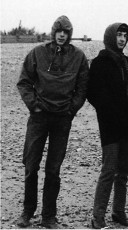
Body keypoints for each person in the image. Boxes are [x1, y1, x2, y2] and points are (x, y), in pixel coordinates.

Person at [16, 15, 89, 228]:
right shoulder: (37, 53)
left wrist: (71, 109)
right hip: (38, 117)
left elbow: (82, 87)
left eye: (66, 32)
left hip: (62, 119)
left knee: (54, 169)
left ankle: (49, 216)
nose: (62, 35)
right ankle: (27, 212)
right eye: (59, 31)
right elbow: (24, 82)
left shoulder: (79, 57)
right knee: (31, 165)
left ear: (70, 34)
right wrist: (35, 106)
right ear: (53, 32)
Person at [87, 22, 128, 228]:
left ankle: (118, 212)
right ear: (110, 37)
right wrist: (115, 115)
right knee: (109, 171)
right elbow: (96, 94)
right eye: (119, 35)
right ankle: (98, 217)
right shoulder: (100, 63)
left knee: (123, 172)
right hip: (111, 127)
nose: (122, 39)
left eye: (125, 35)